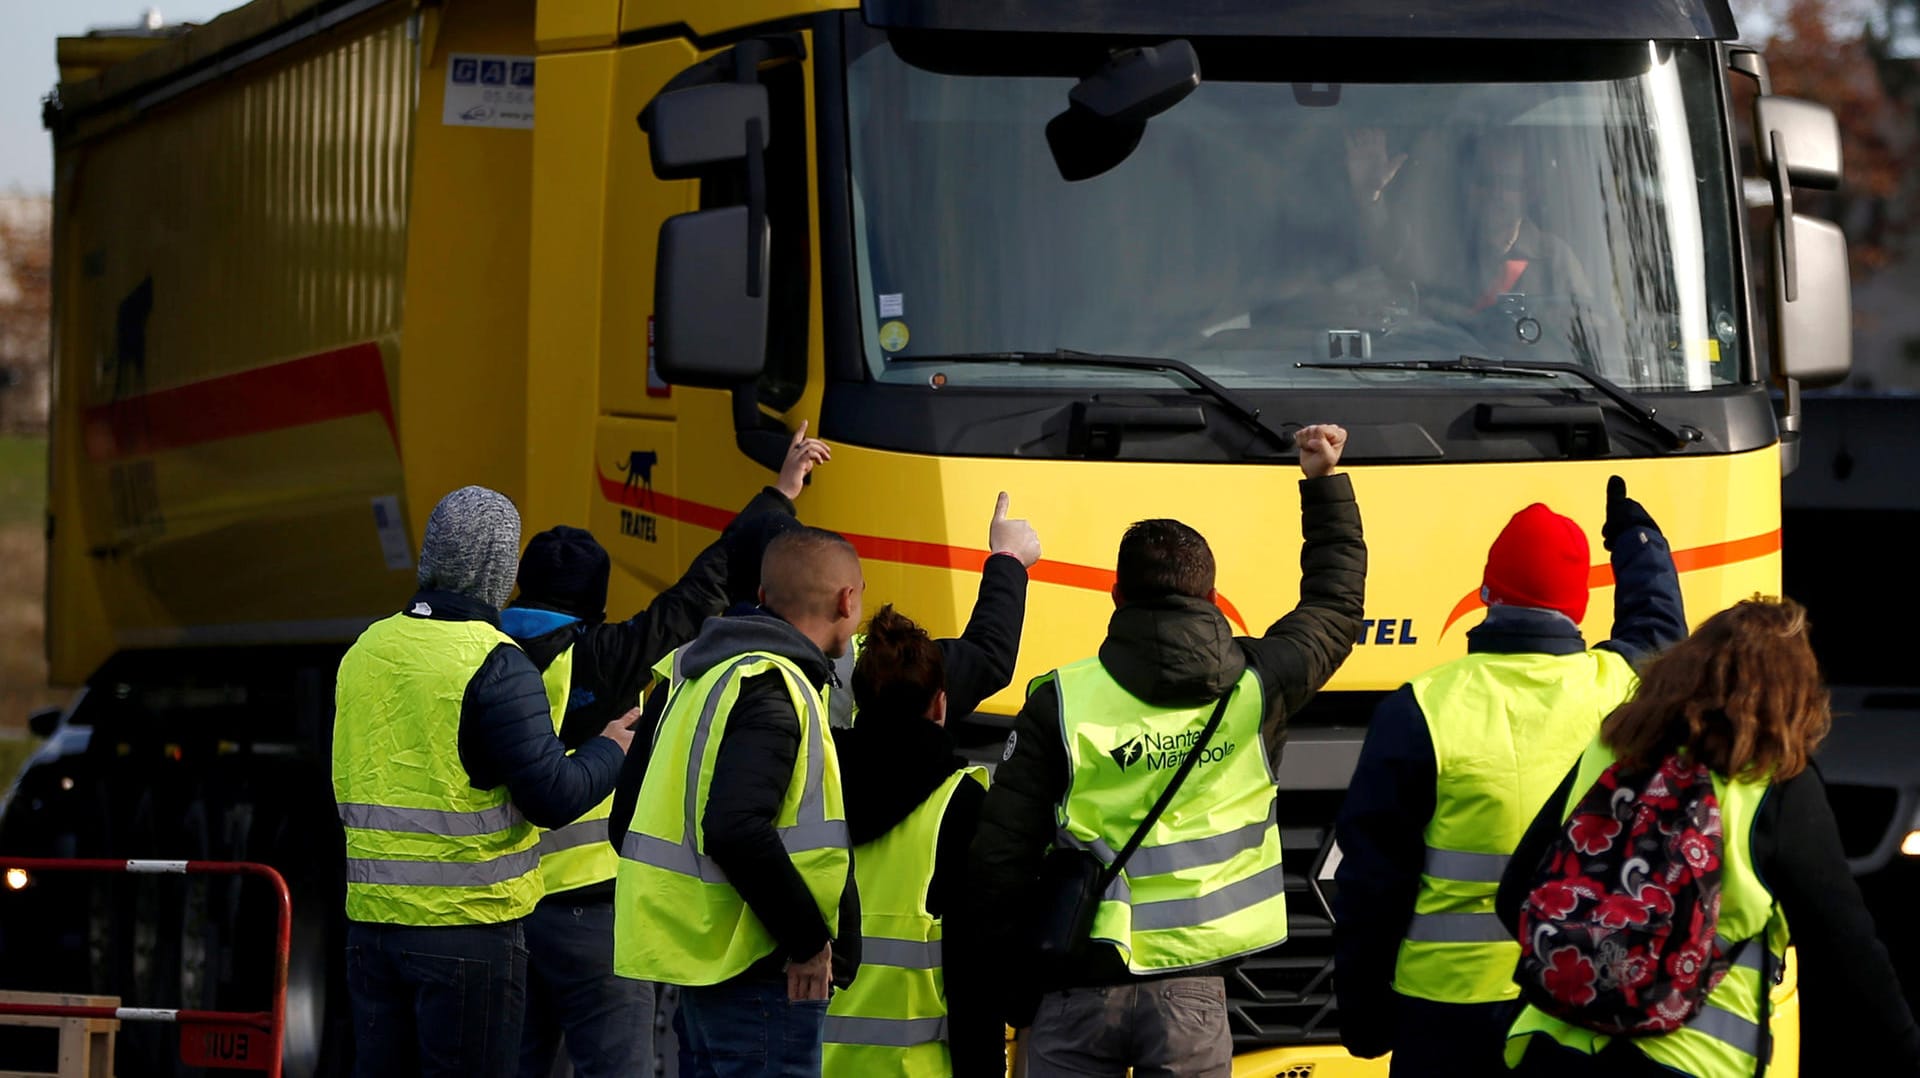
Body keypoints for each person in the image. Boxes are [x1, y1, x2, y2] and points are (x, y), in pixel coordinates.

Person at [968, 423, 1365, 1078]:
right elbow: (1335, 605)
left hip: (1073, 988)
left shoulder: (1059, 701)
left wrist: (1014, 992)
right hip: (1192, 996)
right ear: (1210, 597)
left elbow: (998, 860)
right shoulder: (1255, 687)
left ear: (1117, 597)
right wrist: (1323, 483)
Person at [501, 427, 828, 1078]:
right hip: (594, 920)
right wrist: (779, 494)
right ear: (595, 601)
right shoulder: (607, 657)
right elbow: (699, 591)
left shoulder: (480, 659)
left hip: (497, 917)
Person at [1330, 477, 1685, 1076]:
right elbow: (1658, 629)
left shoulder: (1422, 706)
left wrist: (1364, 1014)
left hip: (1444, 1010)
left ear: (1487, 594)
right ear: (1578, 608)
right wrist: (1638, 540)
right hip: (1573, 996)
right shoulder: (1622, 691)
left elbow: (1371, 884)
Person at [1497, 597, 1920, 1075]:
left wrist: (1597, 973)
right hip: (1688, 1062)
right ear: (1792, 696)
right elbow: (1849, 953)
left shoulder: (1610, 750)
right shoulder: (1773, 786)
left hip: (1550, 1048)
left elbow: (1515, 894)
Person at [331, 486, 633, 1078]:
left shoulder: (366, 649)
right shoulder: (495, 660)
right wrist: (612, 747)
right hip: (468, 932)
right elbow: (554, 796)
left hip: (371, 927)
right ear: (500, 569)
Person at [613, 526, 866, 1077]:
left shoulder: (691, 674)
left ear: (764, 593)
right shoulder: (775, 688)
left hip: (699, 967)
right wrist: (808, 942)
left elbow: (625, 821)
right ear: (847, 601)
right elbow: (733, 829)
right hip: (760, 973)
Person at [822, 563, 1035, 1078]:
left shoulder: (813, 786)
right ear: (941, 703)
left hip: (814, 1061)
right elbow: (974, 978)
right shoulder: (959, 805)